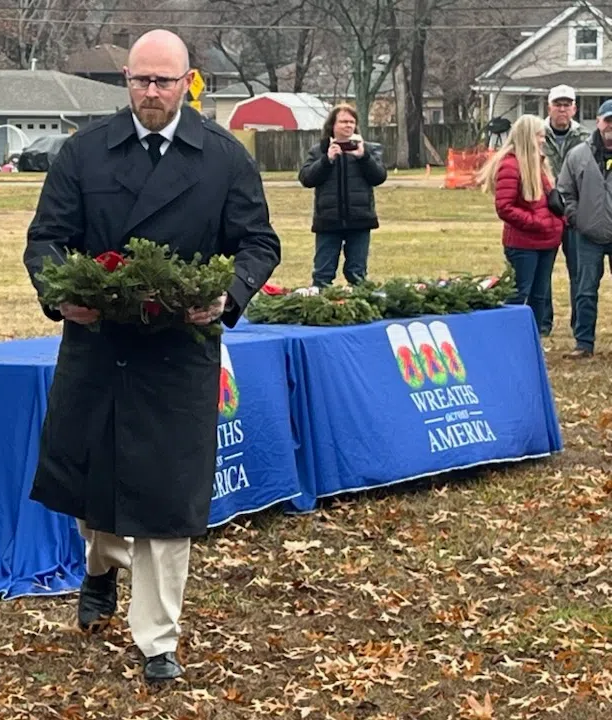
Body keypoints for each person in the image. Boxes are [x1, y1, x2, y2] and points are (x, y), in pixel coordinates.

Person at [22, 28, 280, 683]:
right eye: (140, 80)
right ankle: (100, 567)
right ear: (127, 82)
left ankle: (157, 640)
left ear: (188, 81)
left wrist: (227, 293)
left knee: (168, 502)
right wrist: (62, 294)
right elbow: (46, 240)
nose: (152, 92)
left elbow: (258, 243)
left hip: (180, 354)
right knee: (97, 485)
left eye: (164, 80)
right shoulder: (83, 154)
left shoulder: (224, 158)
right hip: (99, 348)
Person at [476, 114, 564, 333]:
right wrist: (536, 222)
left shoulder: (540, 163)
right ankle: (508, 332)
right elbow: (504, 207)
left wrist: (559, 220)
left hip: (547, 241)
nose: (543, 140)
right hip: (524, 244)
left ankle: (533, 335)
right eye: (539, 136)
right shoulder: (511, 166)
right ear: (527, 137)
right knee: (520, 290)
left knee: (540, 293)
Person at [297, 103, 388, 287]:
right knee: (323, 274)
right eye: (343, 121)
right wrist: (327, 160)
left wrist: (363, 157)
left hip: (360, 220)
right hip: (328, 221)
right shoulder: (319, 150)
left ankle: (359, 309)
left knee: (357, 274)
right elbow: (306, 178)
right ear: (333, 125)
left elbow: (379, 177)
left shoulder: (366, 149)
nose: (348, 125)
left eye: (352, 122)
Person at [556, 99, 612, 358]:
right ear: (598, 122)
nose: (611, 125)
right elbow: (565, 191)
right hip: (587, 234)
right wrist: (576, 217)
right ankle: (584, 343)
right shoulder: (578, 154)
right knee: (585, 290)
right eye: (608, 120)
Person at [542, 85, 590, 336]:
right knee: (543, 271)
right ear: (549, 106)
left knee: (579, 271)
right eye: (557, 104)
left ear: (574, 108)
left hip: (574, 212)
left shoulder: (586, 137)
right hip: (543, 211)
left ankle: (578, 323)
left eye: (567, 104)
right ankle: (543, 323)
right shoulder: (535, 135)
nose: (562, 109)